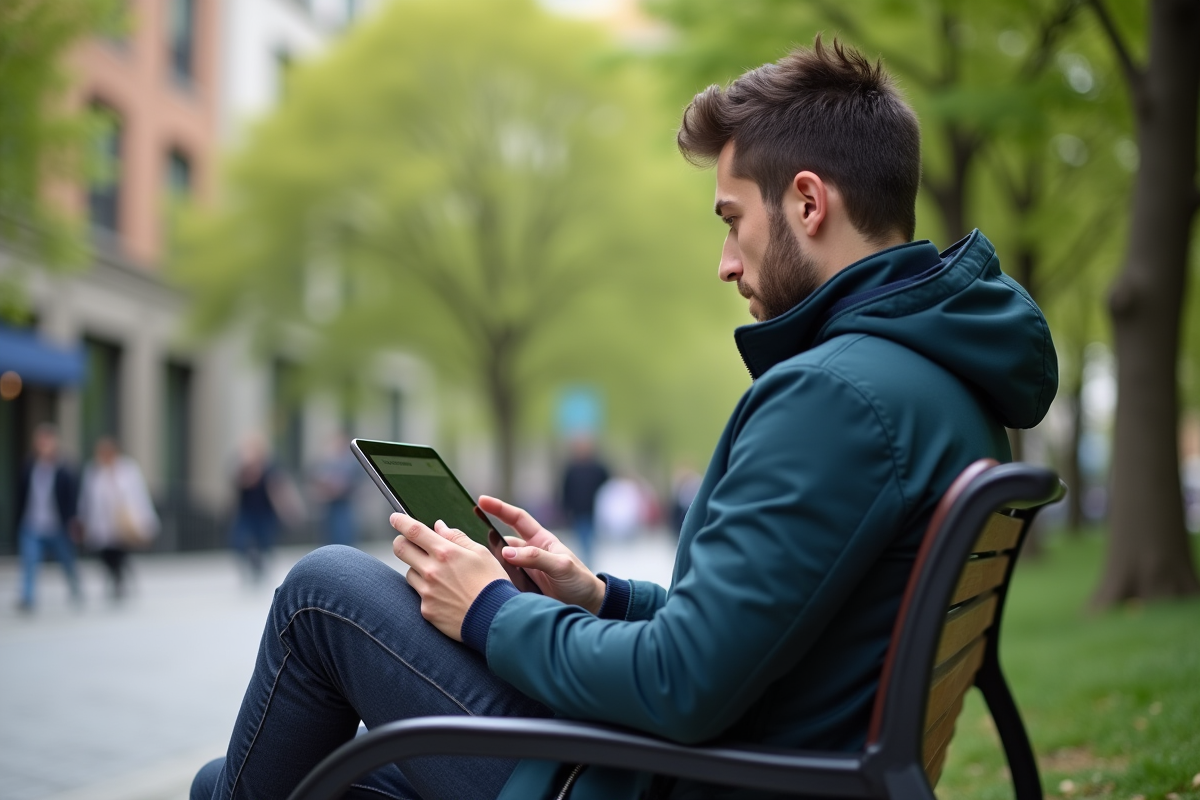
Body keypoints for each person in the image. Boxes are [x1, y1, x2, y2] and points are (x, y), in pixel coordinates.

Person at [192, 39, 1057, 800]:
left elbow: (682, 684)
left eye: (731, 220)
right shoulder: (938, 382)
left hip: (665, 780)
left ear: (806, 202)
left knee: (323, 595)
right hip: (760, 765)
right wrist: (597, 595)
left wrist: (490, 607)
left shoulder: (838, 398)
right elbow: (756, 634)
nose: (725, 263)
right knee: (239, 783)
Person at [77, 437, 160, 601]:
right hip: (101, 523)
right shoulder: (93, 471)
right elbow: (86, 499)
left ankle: (118, 583)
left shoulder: (128, 470)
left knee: (120, 552)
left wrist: (147, 521)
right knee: (106, 555)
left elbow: (139, 496)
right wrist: (82, 520)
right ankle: (118, 577)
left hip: (122, 522)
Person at [14, 423, 82, 612]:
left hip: (57, 526)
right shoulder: (29, 467)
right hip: (32, 524)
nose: (43, 444)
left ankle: (75, 588)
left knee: (67, 560)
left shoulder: (64, 469)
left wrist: (73, 522)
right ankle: (28, 597)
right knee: (29, 561)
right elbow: (20, 496)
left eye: (47, 440)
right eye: (40, 440)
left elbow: (72, 499)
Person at [558, 436, 609, 564]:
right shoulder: (572, 469)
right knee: (582, 537)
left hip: (593, 510)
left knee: (589, 537)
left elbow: (607, 486)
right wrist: (565, 507)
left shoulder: (597, 468)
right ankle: (586, 561)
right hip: (577, 510)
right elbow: (566, 489)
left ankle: (587, 562)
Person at [308, 433, 361, 547]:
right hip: (329, 504)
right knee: (330, 532)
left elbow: (354, 482)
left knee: (343, 532)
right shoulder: (326, 461)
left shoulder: (349, 463)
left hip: (343, 503)